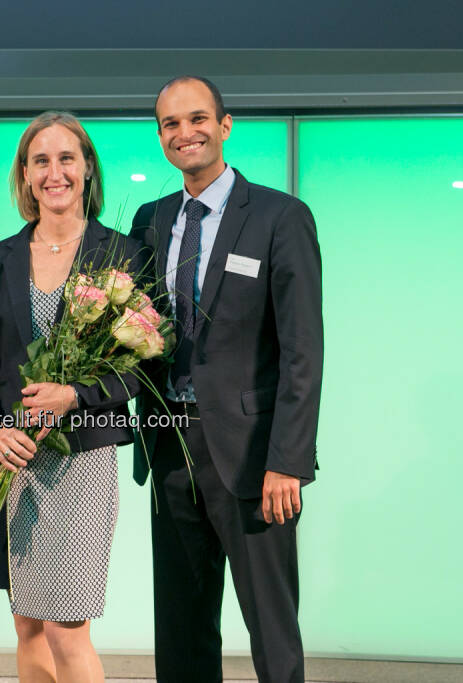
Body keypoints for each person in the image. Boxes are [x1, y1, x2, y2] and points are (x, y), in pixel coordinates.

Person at [130, 76, 323, 683]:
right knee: (182, 628)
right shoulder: (151, 219)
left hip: (253, 458)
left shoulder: (279, 216)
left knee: (270, 625)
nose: (185, 133)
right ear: (160, 135)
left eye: (196, 119)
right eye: (170, 124)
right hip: (170, 445)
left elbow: (303, 350)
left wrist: (288, 461)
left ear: (224, 124)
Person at [0, 111, 143, 683]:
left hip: (81, 462)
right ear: (25, 174)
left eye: (66, 158)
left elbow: (141, 372)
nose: (54, 172)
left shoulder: (122, 254)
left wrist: (76, 394)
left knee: (67, 625)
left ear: (87, 167)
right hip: (12, 461)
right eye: (40, 160)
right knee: (27, 623)